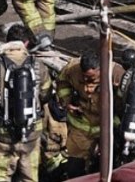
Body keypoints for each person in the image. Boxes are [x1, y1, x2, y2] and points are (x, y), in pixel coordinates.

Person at [0, 24, 53, 182]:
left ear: (7, 42)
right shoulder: (39, 65)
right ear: (26, 43)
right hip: (31, 133)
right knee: (29, 176)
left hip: (2, 134)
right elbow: (46, 95)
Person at [55, 49, 122, 177]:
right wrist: (67, 101)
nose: (86, 80)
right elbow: (62, 82)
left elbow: (124, 103)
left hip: (106, 130)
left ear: (100, 69)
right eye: (84, 76)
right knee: (74, 169)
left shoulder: (116, 74)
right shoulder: (72, 69)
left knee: (104, 169)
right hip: (80, 128)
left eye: (91, 77)